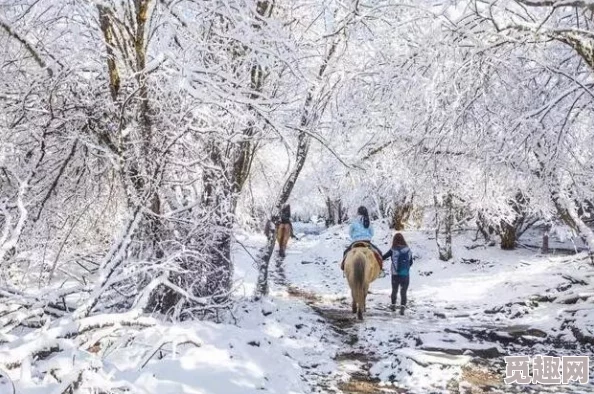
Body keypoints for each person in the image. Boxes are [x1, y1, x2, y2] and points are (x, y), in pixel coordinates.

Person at [382, 232, 413, 315]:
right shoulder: (408, 249)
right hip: (405, 274)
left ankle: (393, 306)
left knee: (394, 290)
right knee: (403, 292)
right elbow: (411, 262)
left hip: (395, 274)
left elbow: (383, 257)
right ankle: (402, 308)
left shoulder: (393, 250)